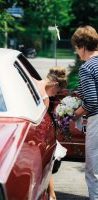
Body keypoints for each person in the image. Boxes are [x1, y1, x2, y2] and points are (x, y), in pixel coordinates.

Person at [71, 25, 98, 200]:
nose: (77, 53)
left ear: (82, 46)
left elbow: (93, 102)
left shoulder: (87, 68)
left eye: (76, 48)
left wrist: (73, 115)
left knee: (93, 170)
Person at [34, 66, 68, 200]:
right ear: (55, 84)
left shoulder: (32, 82)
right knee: (48, 163)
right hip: (35, 136)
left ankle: (52, 195)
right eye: (58, 90)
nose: (56, 94)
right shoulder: (45, 99)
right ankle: (51, 196)